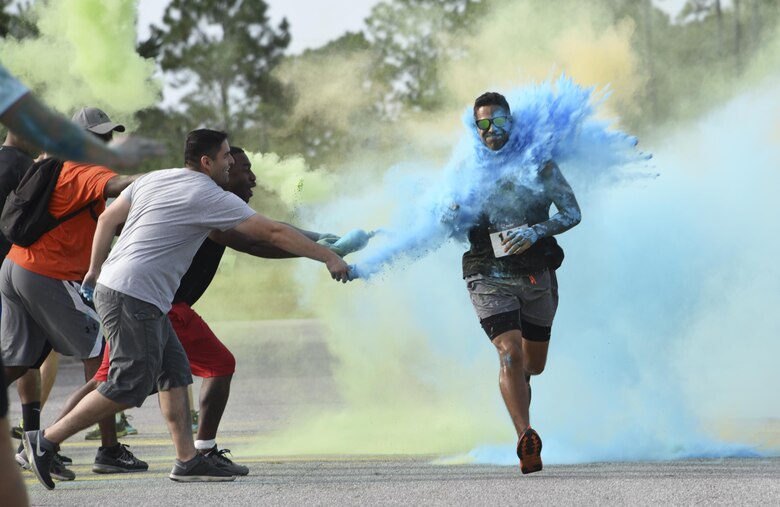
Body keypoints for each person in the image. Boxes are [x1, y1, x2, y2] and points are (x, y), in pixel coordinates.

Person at [24, 129, 353, 489]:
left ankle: (187, 460)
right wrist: (326, 255)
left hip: (128, 289)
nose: (231, 161)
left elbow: (106, 220)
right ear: (207, 161)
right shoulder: (207, 193)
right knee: (126, 385)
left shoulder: (156, 178)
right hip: (134, 294)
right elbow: (271, 233)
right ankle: (45, 442)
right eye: (227, 156)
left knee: (176, 374)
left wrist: (94, 269)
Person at [0, 61, 163, 507]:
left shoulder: (52, 163)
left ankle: (35, 443)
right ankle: (105, 449)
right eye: (102, 136)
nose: (108, 142)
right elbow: (121, 184)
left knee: (17, 363)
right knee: (100, 353)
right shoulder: (83, 170)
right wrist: (165, 181)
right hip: (44, 274)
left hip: (16, 268)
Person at [461, 92, 581, 474]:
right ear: (475, 128)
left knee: (533, 364)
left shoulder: (540, 166)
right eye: (483, 124)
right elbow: (441, 220)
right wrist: (449, 212)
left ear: (512, 123)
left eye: (499, 121)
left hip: (535, 275)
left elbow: (572, 212)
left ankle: (521, 386)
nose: (491, 130)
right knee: (508, 353)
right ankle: (525, 438)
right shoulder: (466, 172)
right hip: (487, 275)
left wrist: (535, 231)